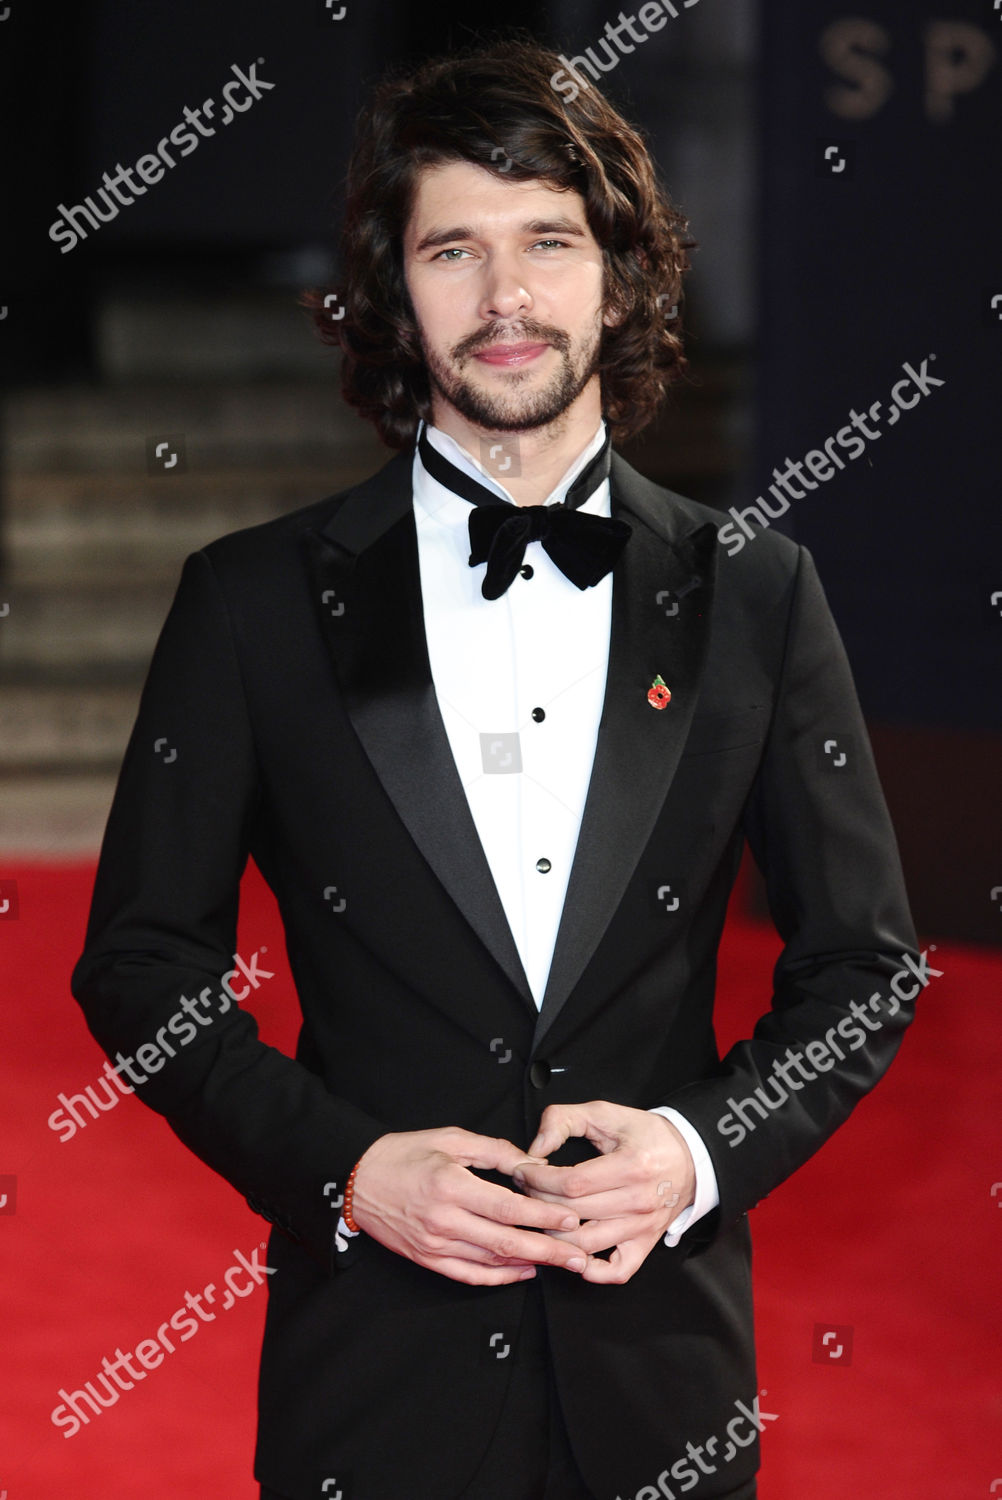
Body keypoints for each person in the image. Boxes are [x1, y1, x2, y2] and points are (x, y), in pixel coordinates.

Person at [71, 36, 919, 1500]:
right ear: (394, 291)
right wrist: (341, 1169)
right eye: (451, 248)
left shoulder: (756, 592)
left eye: (548, 243)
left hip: (663, 1377)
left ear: (620, 274)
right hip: (372, 1377)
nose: (507, 299)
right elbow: (141, 962)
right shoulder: (251, 602)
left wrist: (693, 1151)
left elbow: (863, 969)